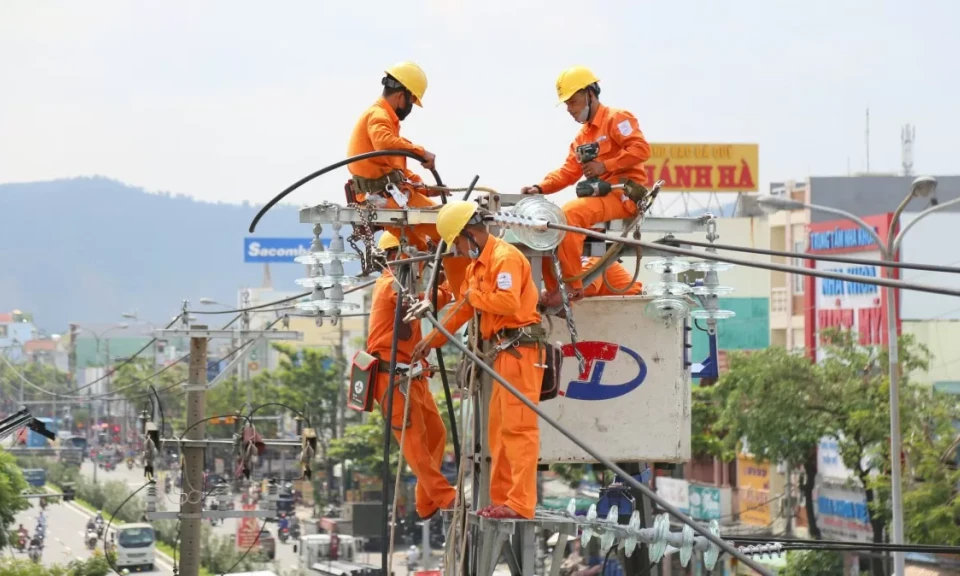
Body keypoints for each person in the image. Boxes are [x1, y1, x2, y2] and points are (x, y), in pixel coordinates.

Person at [412, 201, 545, 520]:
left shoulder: (505, 258)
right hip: (504, 353)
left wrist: (472, 297)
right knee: (499, 432)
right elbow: (463, 310)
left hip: (521, 351)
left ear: (469, 234)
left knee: (519, 429)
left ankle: (520, 503)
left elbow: (508, 303)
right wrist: (430, 340)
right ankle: (503, 500)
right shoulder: (478, 268)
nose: (457, 249)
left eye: (457, 242)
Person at [520, 66, 651, 308]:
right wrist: (540, 187)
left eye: (573, 101)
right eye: (567, 104)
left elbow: (641, 149)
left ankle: (571, 287)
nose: (570, 109)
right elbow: (568, 172)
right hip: (601, 195)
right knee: (547, 224)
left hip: (623, 195)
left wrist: (606, 165)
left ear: (590, 93)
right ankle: (555, 288)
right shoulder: (583, 138)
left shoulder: (617, 118)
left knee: (569, 215)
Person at [345, 62, 469, 292]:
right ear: (401, 96)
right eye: (411, 102)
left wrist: (425, 188)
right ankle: (464, 294)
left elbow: (395, 170)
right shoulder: (379, 115)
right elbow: (384, 143)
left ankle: (407, 296)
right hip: (386, 197)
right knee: (454, 231)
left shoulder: (382, 117)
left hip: (384, 195)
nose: (410, 108)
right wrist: (420, 152)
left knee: (418, 246)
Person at [364, 232, 458, 520]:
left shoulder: (404, 283)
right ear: (396, 256)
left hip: (413, 377)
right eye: (413, 257)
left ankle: (427, 500)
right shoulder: (389, 285)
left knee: (437, 434)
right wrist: (447, 290)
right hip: (391, 380)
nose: (419, 263)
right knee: (415, 443)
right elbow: (415, 302)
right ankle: (445, 498)